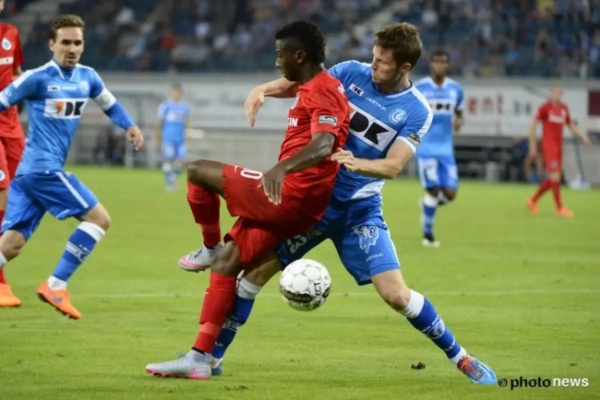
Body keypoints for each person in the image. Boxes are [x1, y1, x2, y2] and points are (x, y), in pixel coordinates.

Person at [177, 23, 497, 385]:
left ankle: (461, 357)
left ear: (404, 67)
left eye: (382, 62)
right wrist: (262, 89)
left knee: (396, 295)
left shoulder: (416, 111)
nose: (373, 65)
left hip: (359, 210)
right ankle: (213, 356)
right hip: (313, 203)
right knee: (253, 275)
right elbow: (304, 84)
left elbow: (393, 166)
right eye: (374, 56)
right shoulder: (349, 73)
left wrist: (358, 163)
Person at [145, 21, 350, 380]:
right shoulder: (312, 85)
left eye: (280, 55)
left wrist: (281, 168)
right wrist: (262, 90)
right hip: (297, 204)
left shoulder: (324, 91)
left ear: (299, 55)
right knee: (228, 264)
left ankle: (209, 245)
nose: (276, 62)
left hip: (290, 195)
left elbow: (323, 144)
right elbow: (292, 87)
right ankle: (199, 358)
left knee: (197, 170)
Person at [0, 14, 144, 319]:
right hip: (42, 170)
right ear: (52, 45)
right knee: (99, 219)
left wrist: (129, 126)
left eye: (77, 43)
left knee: (11, 245)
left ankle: (55, 284)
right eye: (65, 42)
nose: (72, 48)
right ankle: (56, 285)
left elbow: (110, 104)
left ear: (84, 45)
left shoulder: (88, 77)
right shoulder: (37, 78)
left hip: (29, 175)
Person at [413, 51, 464, 247]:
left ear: (448, 66)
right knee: (433, 190)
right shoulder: (420, 88)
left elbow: (459, 113)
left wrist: (458, 122)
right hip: (426, 148)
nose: (440, 66)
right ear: (431, 65)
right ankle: (428, 236)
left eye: (443, 62)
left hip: (446, 149)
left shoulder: (456, 90)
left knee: (450, 194)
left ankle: (427, 204)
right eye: (436, 62)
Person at [526, 84, 590, 217]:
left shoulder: (564, 108)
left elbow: (571, 126)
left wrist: (583, 137)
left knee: (554, 179)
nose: (557, 95)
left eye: (559, 92)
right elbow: (532, 126)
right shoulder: (545, 108)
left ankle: (532, 200)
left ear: (562, 94)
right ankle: (559, 209)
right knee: (555, 177)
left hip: (559, 145)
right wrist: (532, 146)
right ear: (550, 93)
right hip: (549, 146)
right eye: (555, 92)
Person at [0, 0, 27, 308]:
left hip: (12, 126)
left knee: (22, 195)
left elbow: (17, 73)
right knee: (3, 195)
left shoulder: (11, 33)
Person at [154, 83, 190, 191]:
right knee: (169, 160)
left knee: (182, 162)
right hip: (168, 138)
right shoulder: (165, 106)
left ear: (180, 93)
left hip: (181, 139)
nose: (176, 94)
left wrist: (189, 132)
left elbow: (188, 122)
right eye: (174, 92)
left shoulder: (184, 107)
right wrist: (157, 137)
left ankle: (171, 178)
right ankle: (169, 184)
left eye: (177, 92)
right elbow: (159, 123)